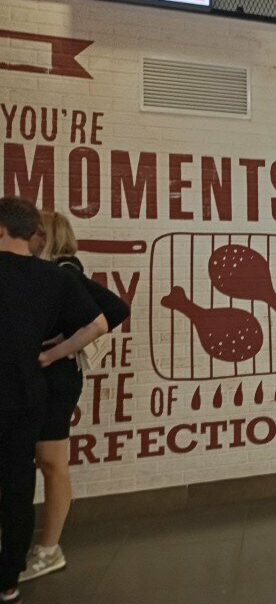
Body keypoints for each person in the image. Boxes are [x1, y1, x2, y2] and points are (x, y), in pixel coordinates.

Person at [0, 197, 107, 604]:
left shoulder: (61, 272)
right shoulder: (52, 277)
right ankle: (9, 577)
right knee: (18, 483)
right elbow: (99, 322)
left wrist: (55, 354)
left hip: (27, 388)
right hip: (28, 391)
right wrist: (50, 354)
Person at [19, 211, 130, 583]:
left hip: (56, 379)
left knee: (51, 461)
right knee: (40, 458)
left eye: (35, 233)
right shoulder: (44, 273)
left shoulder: (65, 272)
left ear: (47, 236)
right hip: (41, 378)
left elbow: (114, 311)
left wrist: (55, 352)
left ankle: (49, 548)